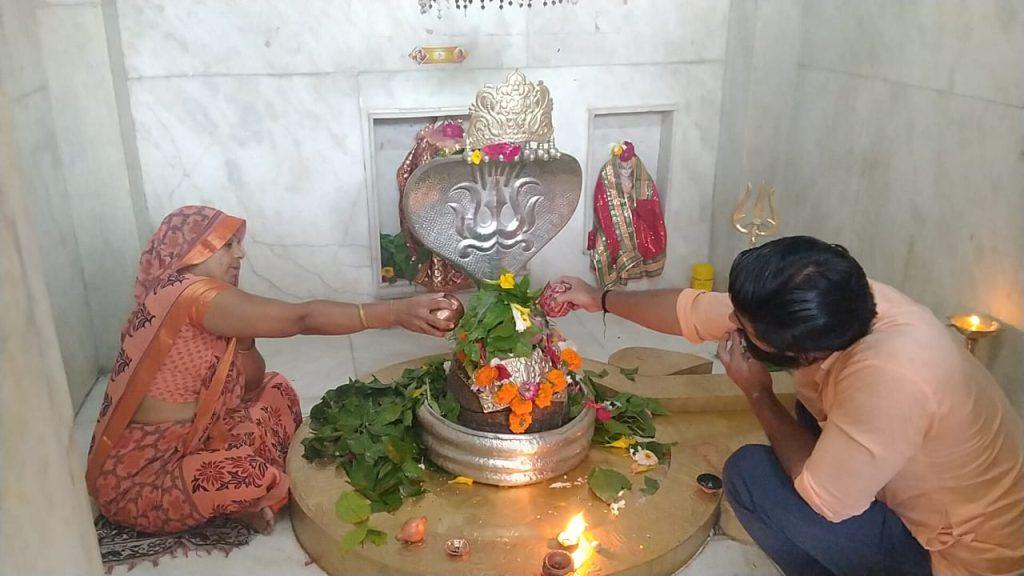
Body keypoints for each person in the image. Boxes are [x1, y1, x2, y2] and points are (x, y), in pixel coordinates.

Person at [555, 236, 1023, 575]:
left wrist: (756, 391)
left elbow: (828, 501)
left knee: (751, 475)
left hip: (958, 556)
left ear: (800, 353)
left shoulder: (890, 377)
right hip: (907, 477)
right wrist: (598, 298)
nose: (730, 326)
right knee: (803, 414)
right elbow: (692, 311)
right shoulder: (839, 307)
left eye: (744, 327)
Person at [86, 205, 457, 535]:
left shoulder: (198, 298)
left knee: (275, 389)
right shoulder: (192, 295)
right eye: (228, 245)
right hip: (147, 470)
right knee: (252, 476)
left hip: (200, 436)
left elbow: (250, 382)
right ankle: (239, 503)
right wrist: (394, 313)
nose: (241, 253)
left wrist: (244, 336)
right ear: (192, 251)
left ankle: (234, 500)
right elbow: (302, 317)